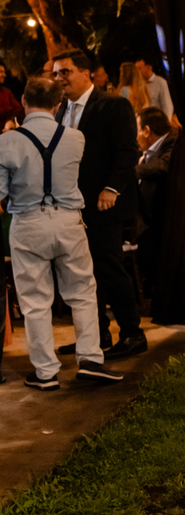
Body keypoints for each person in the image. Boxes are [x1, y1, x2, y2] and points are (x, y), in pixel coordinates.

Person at [0, 73, 121, 390]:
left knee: (35, 301)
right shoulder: (75, 138)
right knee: (82, 293)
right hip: (69, 221)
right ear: (57, 104)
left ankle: (45, 373)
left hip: (28, 223)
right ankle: (91, 359)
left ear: (24, 101)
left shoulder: (7, 142)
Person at [51, 50, 146, 360]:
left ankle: (132, 333)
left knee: (109, 267)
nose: (59, 78)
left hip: (105, 203)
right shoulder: (60, 110)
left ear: (85, 73)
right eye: (55, 73)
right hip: (72, 204)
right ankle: (96, 336)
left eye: (65, 71)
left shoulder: (113, 105)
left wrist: (111, 189)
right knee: (80, 272)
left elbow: (127, 151)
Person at [135, 106, 177, 302]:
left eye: (137, 129)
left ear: (147, 130)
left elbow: (163, 167)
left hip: (162, 215)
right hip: (150, 213)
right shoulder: (146, 152)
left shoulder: (172, 142)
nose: (135, 135)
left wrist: (128, 172)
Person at [133, 55, 173, 120]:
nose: (137, 72)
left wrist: (166, 122)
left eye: (139, 68)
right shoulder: (138, 84)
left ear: (148, 68)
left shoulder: (160, 82)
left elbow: (167, 105)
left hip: (156, 121)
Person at [0, 62, 23, 129]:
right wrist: (10, 109)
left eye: (4, 72)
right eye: (1, 72)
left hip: (7, 132)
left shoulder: (6, 92)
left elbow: (19, 109)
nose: (4, 75)